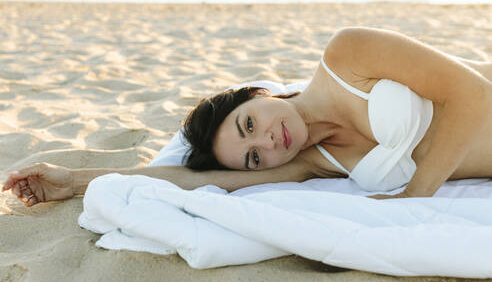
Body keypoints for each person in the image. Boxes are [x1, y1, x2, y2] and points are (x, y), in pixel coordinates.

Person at [3, 27, 492, 207]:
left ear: (257, 96)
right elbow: (196, 180)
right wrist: (75, 180)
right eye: (254, 158)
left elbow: (473, 95)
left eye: (248, 124)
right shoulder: (315, 161)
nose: (269, 144)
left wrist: (416, 194)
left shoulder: (348, 56)